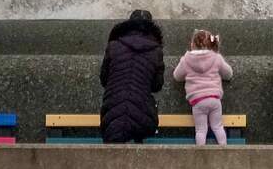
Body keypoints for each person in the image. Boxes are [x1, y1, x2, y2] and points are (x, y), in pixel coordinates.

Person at [100, 9, 165, 143]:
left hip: (113, 108)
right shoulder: (156, 51)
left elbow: (104, 79)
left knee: (112, 153)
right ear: (151, 28)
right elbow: (157, 85)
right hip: (142, 110)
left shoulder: (113, 46)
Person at [172, 29, 234, 145]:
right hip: (214, 99)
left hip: (198, 101)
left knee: (201, 130)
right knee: (218, 126)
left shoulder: (186, 60)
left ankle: (201, 154)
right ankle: (224, 150)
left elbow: (177, 76)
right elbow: (228, 74)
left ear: (192, 44)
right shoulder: (216, 58)